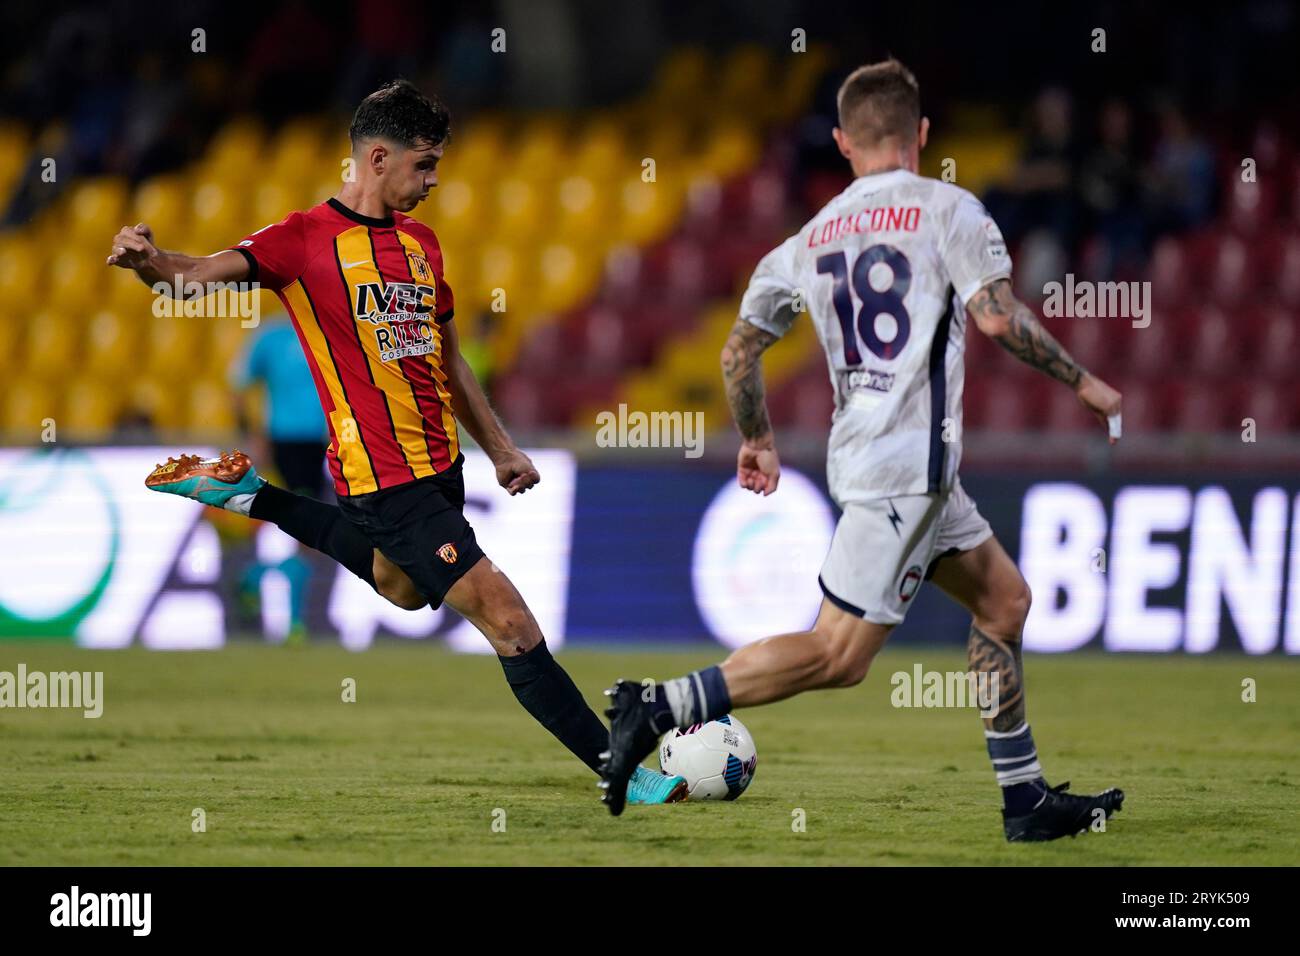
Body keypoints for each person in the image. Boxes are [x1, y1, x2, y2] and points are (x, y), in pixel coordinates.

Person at [106, 79, 685, 806]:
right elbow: (193, 276)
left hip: (440, 468)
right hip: (381, 477)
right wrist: (149, 262)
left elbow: (446, 354)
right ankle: (626, 771)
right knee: (507, 617)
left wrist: (501, 448)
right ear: (378, 158)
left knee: (401, 588)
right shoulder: (303, 239)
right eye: (426, 165)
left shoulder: (422, 245)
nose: (435, 181)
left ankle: (249, 495)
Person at [598, 60, 1126, 840]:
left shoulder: (808, 238)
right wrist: (1083, 382)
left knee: (1005, 603)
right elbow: (997, 319)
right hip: (907, 467)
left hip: (891, 466)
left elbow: (739, 352)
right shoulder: (951, 210)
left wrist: (757, 438)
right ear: (920, 133)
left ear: (843, 141)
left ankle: (1026, 800)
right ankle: (660, 708)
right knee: (839, 655)